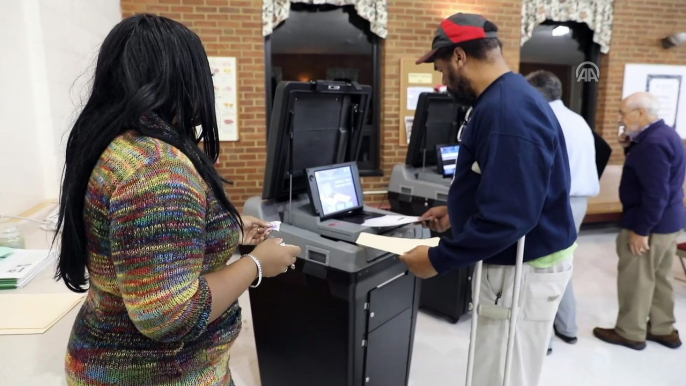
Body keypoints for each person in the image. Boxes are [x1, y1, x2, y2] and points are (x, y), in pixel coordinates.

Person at [54, 14, 301, 385]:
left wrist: (227, 232)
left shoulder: (120, 147)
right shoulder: (158, 170)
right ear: (182, 80)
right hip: (156, 374)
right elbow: (171, 315)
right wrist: (258, 265)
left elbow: (141, 249)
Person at [400, 13, 576, 386]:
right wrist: (457, 211)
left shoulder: (505, 112)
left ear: (460, 56)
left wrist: (437, 259)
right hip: (520, 261)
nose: (443, 81)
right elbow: (509, 184)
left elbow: (510, 216)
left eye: (443, 68)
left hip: (523, 267)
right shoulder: (505, 98)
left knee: (502, 375)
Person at [593, 92, 684, 350]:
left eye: (623, 114)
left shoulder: (652, 144)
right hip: (669, 223)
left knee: (637, 278)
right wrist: (629, 146)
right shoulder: (665, 134)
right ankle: (663, 328)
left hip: (650, 224)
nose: (621, 120)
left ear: (641, 113)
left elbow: (655, 194)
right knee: (661, 278)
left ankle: (630, 332)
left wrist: (641, 230)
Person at [526, 70, 600, 353]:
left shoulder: (546, 119)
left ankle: (543, 340)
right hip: (579, 201)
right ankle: (568, 327)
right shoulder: (576, 119)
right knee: (562, 261)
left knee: (545, 267)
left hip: (558, 201)